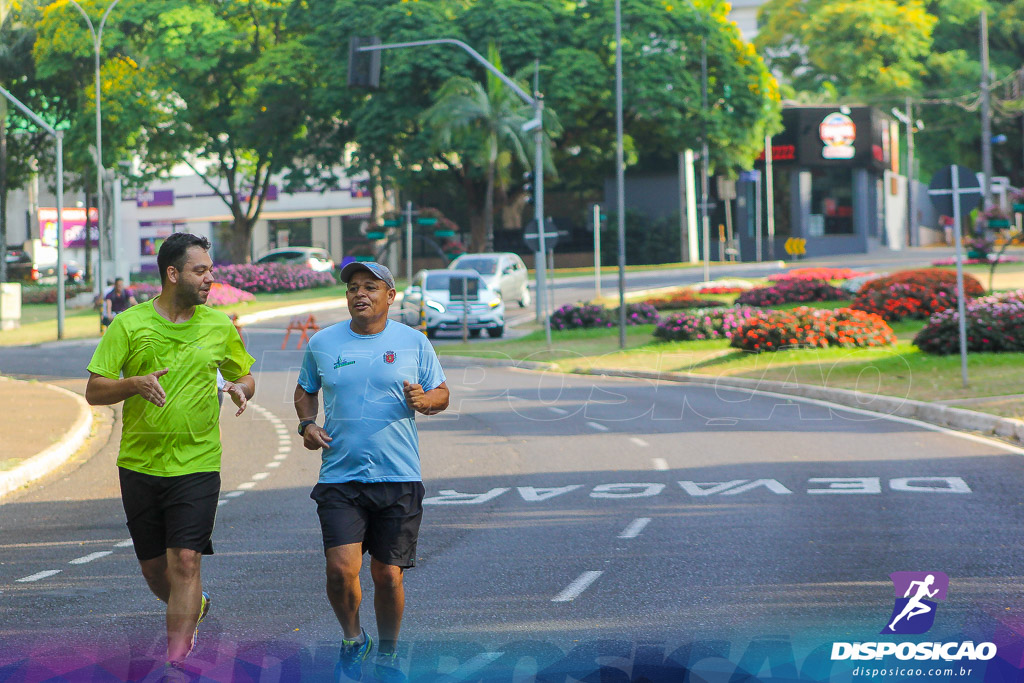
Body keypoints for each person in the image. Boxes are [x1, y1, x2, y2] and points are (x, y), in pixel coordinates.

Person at [85, 232, 255, 677]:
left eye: (211, 270)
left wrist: (240, 388)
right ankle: (194, 605)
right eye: (200, 271)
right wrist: (133, 383)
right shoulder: (128, 324)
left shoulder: (219, 327)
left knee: (185, 560)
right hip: (140, 464)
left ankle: (177, 663)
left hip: (198, 463)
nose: (209, 279)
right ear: (172, 273)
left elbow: (245, 375)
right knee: (155, 570)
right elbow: (94, 390)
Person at [294, 262, 449, 682]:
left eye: (370, 287)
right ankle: (352, 638)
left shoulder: (414, 342)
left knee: (386, 574)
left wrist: (425, 401)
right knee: (341, 570)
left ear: (389, 296)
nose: (359, 294)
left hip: (398, 475)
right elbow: (306, 391)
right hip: (339, 477)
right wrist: (308, 425)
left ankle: (390, 652)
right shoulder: (324, 342)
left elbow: (441, 392)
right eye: (352, 288)